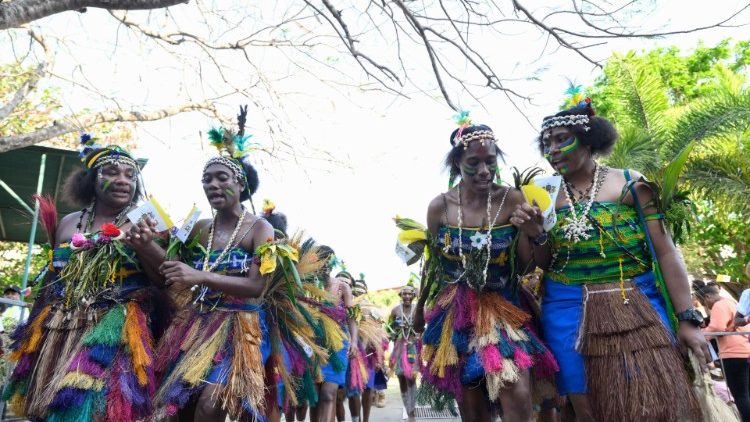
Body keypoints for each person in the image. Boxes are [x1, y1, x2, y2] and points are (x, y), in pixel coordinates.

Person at [511, 95, 708, 421]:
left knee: (653, 404)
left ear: (589, 139)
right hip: (566, 309)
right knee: (589, 408)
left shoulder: (629, 182)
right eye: (547, 143)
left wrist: (687, 319)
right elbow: (537, 264)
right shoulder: (543, 193)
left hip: (638, 305)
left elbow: (666, 251)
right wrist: (536, 233)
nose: (553, 150)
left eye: (561, 139)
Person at [3, 140, 162, 421]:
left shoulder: (147, 221)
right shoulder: (68, 223)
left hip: (113, 329)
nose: (123, 180)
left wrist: (146, 245)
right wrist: (33, 330)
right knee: (45, 408)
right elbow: (53, 277)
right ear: (91, 180)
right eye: (111, 172)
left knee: (91, 409)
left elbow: (166, 281)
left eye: (130, 175)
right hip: (60, 326)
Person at [412, 116, 557, 422]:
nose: (483, 171)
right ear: (457, 163)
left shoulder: (512, 199)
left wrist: (537, 233)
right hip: (456, 314)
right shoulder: (440, 207)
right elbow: (433, 263)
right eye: (473, 163)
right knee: (472, 407)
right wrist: (418, 308)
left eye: (490, 161)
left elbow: (530, 264)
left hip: (504, 308)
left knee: (516, 392)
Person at [309, 246, 357, 422]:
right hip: (313, 345)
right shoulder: (306, 286)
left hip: (338, 344)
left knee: (329, 394)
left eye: (328, 260)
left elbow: (352, 317)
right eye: (320, 260)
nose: (324, 265)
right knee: (314, 397)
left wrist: (354, 341)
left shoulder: (342, 287)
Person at [696, 281, 750, 421]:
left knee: (740, 395)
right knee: (747, 392)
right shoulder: (732, 302)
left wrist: (699, 334)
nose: (704, 306)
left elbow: (717, 327)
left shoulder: (719, 305)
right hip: (746, 350)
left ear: (708, 296)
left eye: (702, 301)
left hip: (734, 354)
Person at [386, 279, 420, 422]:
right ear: (401, 295)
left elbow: (421, 326)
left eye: (409, 294)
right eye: (404, 294)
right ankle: (408, 409)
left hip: (412, 347)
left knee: (411, 378)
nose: (407, 296)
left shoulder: (417, 309)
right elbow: (388, 330)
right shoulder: (395, 310)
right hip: (399, 348)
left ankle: (412, 413)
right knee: (400, 376)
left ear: (413, 296)